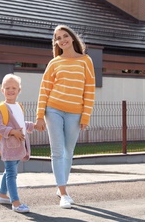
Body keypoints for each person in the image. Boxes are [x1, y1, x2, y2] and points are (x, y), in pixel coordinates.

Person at [35, 25, 96, 209]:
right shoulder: (55, 63)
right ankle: (63, 192)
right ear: (56, 43)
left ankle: (61, 185)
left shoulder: (86, 61)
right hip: (53, 109)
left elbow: (89, 90)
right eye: (58, 38)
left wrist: (86, 116)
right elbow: (44, 89)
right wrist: (39, 116)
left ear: (72, 38)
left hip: (75, 113)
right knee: (57, 151)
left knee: (69, 151)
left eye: (65, 36)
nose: (62, 40)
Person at [0, 73, 35, 213]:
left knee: (9, 171)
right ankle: (16, 202)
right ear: (2, 90)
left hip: (19, 146)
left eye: (14, 88)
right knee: (12, 174)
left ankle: (2, 195)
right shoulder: (1, 109)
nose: (10, 90)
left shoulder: (19, 106)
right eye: (7, 88)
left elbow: (21, 124)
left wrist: (32, 125)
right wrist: (13, 132)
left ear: (19, 90)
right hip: (9, 147)